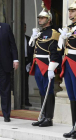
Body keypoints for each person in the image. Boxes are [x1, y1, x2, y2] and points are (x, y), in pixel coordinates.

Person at [28, 1, 60, 127]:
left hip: (46, 65)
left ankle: (49, 118)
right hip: (37, 64)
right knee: (42, 91)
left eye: (42, 18)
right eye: (39, 18)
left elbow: (55, 53)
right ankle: (42, 115)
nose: (40, 20)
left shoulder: (53, 33)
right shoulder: (40, 33)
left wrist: (52, 68)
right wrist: (33, 37)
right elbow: (32, 50)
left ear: (49, 19)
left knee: (48, 91)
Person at [59, 0, 76, 139]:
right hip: (68, 63)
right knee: (72, 96)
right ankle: (74, 126)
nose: (69, 13)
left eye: (73, 11)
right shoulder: (69, 27)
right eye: (69, 11)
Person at [24, 23, 32, 107]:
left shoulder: (29, 38)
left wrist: (30, 63)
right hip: (17, 62)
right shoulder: (16, 39)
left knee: (26, 82)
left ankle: (26, 100)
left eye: (25, 27)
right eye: (23, 27)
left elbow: (31, 52)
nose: (24, 29)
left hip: (26, 62)